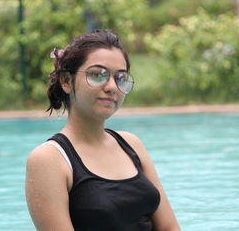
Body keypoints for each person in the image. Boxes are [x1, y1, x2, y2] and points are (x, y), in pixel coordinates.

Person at [25, 29, 181, 230]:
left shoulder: (131, 144)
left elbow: (169, 228)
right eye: (97, 75)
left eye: (120, 77)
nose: (112, 87)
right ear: (66, 81)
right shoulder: (49, 159)